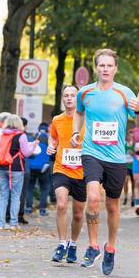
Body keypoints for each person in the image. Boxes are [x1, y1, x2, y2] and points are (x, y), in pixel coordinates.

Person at [71, 48, 139, 275]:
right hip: (91, 152)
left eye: (109, 65)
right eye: (101, 65)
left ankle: (110, 246)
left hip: (115, 157)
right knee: (93, 198)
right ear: (96, 68)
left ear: (115, 69)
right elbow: (78, 112)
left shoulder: (125, 93)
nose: (105, 69)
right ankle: (93, 245)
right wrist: (77, 132)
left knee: (112, 206)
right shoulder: (84, 93)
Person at [47, 85, 86, 263]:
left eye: (73, 95)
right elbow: (53, 137)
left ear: (78, 99)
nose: (69, 98)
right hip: (62, 167)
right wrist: (51, 146)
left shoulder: (87, 119)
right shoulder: (57, 119)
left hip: (82, 170)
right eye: (66, 95)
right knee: (61, 205)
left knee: (78, 214)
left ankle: (73, 244)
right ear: (62, 98)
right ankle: (62, 244)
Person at [0, 114, 38, 230]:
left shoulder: (3, 134)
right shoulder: (21, 135)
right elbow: (26, 153)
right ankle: (13, 223)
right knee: (15, 195)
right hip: (16, 168)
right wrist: (33, 145)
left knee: (3, 195)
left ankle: (0, 223)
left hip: (3, 166)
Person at [26, 122, 51, 216]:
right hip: (44, 168)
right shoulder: (49, 140)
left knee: (30, 188)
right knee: (44, 188)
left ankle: (28, 208)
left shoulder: (32, 138)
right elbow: (52, 154)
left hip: (32, 167)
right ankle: (42, 209)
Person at [123, 129, 134, 206]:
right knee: (126, 181)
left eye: (132, 134)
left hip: (133, 165)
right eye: (130, 134)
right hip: (126, 165)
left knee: (134, 183)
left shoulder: (135, 144)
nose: (131, 136)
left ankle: (133, 197)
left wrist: (132, 153)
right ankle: (126, 197)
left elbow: (138, 154)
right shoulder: (124, 144)